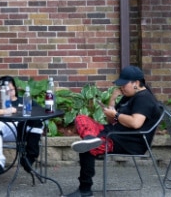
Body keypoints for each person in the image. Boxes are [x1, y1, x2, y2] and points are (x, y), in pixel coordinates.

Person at [63, 65, 161, 197]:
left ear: (136, 83)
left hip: (126, 141)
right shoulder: (130, 95)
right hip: (112, 132)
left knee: (86, 149)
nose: (121, 88)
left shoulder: (144, 98)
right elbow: (112, 121)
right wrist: (112, 101)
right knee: (81, 118)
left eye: (123, 85)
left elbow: (136, 123)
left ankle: (85, 190)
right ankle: (90, 139)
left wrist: (115, 115)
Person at [0, 76, 43, 174]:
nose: (9, 93)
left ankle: (29, 158)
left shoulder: (24, 99)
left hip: (24, 131)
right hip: (5, 132)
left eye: (11, 89)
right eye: (6, 90)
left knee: (37, 121)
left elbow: (40, 112)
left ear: (15, 88)